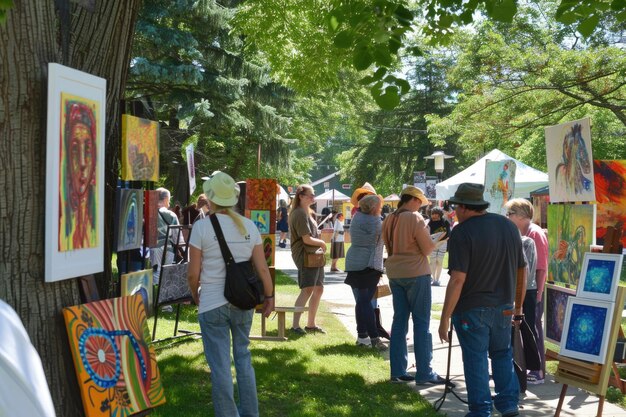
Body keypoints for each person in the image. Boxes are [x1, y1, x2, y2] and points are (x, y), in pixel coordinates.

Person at [187, 172, 274, 417]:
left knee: (221, 367)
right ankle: (250, 413)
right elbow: (262, 268)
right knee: (244, 358)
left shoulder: (202, 227)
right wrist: (269, 297)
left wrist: (195, 294)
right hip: (244, 302)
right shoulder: (249, 226)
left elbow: (193, 273)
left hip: (212, 303)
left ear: (211, 199)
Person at [438, 183, 526, 417]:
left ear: (466, 207)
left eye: (456, 207)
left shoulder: (462, 232)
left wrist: (444, 318)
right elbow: (522, 270)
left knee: (476, 359)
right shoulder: (508, 226)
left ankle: (480, 410)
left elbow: (457, 279)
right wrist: (518, 305)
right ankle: (508, 404)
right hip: (504, 306)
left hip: (472, 308)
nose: (455, 211)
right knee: (502, 354)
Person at [382, 186, 445, 384]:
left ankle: (398, 371)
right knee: (421, 322)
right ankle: (425, 371)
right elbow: (427, 249)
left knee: (399, 321)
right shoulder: (415, 218)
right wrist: (434, 240)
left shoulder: (389, 218)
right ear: (415, 200)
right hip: (416, 272)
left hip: (395, 271)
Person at [504, 198, 548, 385]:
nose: (507, 218)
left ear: (521, 215)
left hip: (531, 291)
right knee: (524, 330)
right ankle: (523, 367)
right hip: (524, 290)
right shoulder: (521, 232)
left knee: (532, 330)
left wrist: (537, 295)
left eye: (510, 214)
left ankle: (537, 370)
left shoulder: (534, 234)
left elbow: (541, 268)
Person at [344, 195, 387, 350]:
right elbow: (381, 239)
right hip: (368, 264)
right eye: (380, 206)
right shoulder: (375, 221)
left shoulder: (356, 217)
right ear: (374, 207)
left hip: (354, 261)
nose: (381, 208)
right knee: (365, 301)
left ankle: (362, 336)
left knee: (361, 301)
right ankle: (374, 337)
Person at [289, 185, 327, 335]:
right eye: (310, 195)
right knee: (307, 289)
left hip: (314, 256)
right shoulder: (298, 213)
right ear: (301, 196)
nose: (313, 198)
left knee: (318, 288)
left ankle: (311, 324)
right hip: (305, 255)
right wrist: (322, 242)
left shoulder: (308, 212)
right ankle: (295, 325)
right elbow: (306, 238)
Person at [60, 101, 98, 251]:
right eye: (75, 149)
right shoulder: (63, 225)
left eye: (87, 149)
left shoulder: (93, 227)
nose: (82, 163)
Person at [150, 187, 184, 285]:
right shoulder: (172, 215)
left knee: (156, 272)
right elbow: (177, 237)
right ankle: (164, 296)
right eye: (169, 200)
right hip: (168, 248)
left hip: (154, 247)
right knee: (166, 274)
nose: (169, 204)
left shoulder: (150, 213)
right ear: (165, 199)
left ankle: (155, 294)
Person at [428, 207, 450, 286]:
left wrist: (438, 241)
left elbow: (447, 235)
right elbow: (428, 234)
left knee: (439, 261)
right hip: (433, 244)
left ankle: (437, 279)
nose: (433, 215)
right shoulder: (429, 223)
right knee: (432, 261)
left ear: (439, 214)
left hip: (442, 243)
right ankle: (433, 279)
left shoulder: (445, 222)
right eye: (432, 214)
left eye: (435, 214)